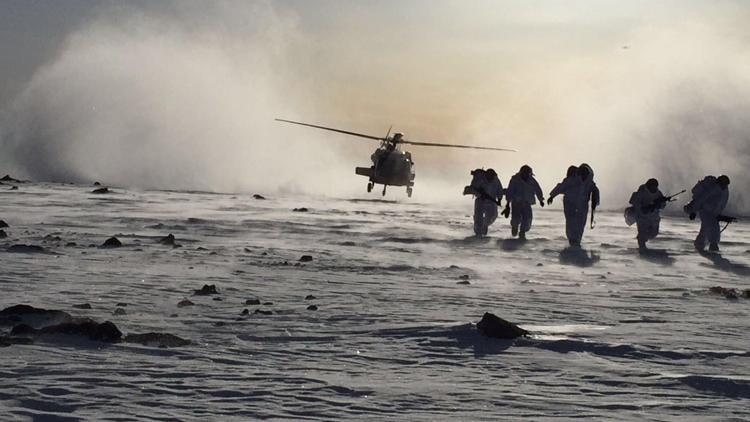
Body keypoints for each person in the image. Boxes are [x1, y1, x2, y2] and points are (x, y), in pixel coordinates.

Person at [684, 175, 731, 252]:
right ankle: (713, 245)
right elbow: (700, 200)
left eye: (726, 184)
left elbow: (721, 204)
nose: (725, 185)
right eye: (724, 183)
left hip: (714, 213)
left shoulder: (725, 191)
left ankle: (699, 246)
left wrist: (719, 214)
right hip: (706, 211)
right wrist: (693, 211)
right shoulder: (712, 189)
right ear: (719, 182)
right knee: (713, 227)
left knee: (706, 228)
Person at [504, 165, 544, 240]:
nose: (525, 174)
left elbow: (538, 190)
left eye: (527, 172)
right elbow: (510, 190)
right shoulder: (515, 179)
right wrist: (507, 203)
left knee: (528, 218)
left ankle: (522, 232)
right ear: (521, 172)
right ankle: (515, 227)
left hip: (527, 202)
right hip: (516, 202)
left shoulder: (532, 180)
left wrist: (541, 199)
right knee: (516, 218)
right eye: (524, 172)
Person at [628, 178, 667, 250]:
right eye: (652, 186)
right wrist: (645, 207)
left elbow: (662, 206)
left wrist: (660, 204)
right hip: (642, 218)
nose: (654, 188)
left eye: (655, 186)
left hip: (654, 218)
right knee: (642, 233)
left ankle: (643, 240)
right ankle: (642, 247)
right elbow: (634, 203)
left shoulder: (658, 193)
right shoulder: (641, 192)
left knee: (653, 233)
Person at [567, 163, 600, 247]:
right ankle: (573, 240)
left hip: (583, 205)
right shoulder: (574, 180)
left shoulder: (591, 184)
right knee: (571, 222)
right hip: (572, 204)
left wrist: (592, 216)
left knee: (580, 223)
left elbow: (594, 200)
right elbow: (563, 186)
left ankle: (576, 241)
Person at [465, 168, 504, 237]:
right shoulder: (479, 179)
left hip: (492, 201)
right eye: (489, 175)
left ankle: (485, 225)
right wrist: (479, 193)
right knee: (478, 217)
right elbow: (472, 188)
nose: (491, 177)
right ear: (486, 174)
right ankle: (478, 233)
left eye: (492, 176)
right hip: (480, 200)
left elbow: (499, 189)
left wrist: (499, 199)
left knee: (492, 216)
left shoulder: (496, 180)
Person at [547, 165, 579, 243]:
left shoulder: (577, 180)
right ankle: (573, 238)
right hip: (570, 203)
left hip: (574, 203)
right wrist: (552, 196)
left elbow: (559, 187)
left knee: (571, 221)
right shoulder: (570, 180)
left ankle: (573, 238)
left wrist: (552, 196)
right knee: (572, 220)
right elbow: (560, 188)